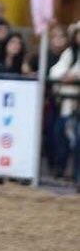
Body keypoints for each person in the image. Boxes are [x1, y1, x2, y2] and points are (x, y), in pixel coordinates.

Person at [48, 23, 80, 183]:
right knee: (62, 135)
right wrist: (66, 75)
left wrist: (74, 76)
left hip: (76, 101)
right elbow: (55, 70)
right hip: (67, 103)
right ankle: (61, 169)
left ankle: (75, 174)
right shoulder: (69, 53)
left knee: (75, 139)